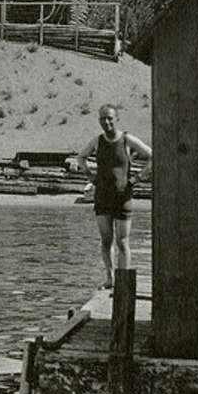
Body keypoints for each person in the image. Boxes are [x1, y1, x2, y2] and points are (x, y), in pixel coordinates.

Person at [68, 104, 152, 290]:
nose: (106, 122)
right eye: (102, 119)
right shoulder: (97, 141)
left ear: (116, 118)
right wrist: (90, 175)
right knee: (106, 240)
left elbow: (151, 155)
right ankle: (110, 277)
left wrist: (138, 177)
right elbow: (81, 157)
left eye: (110, 118)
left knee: (123, 242)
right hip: (103, 197)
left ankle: (123, 282)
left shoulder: (127, 139)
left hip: (123, 198)